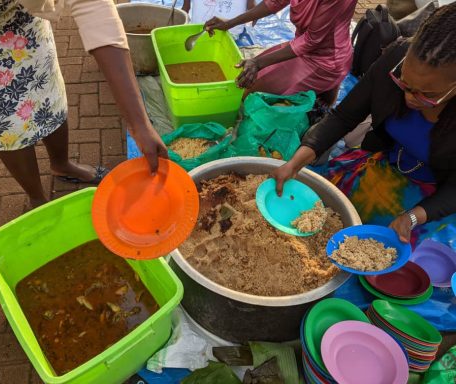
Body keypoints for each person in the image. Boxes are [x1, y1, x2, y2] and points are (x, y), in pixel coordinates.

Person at [0, 0, 168, 208]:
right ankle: (37, 198)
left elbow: (93, 7)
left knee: (50, 101)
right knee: (6, 129)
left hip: (24, 25)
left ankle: (62, 165)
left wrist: (139, 123)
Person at [272, 4, 456, 248]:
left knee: (373, 245)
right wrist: (297, 161)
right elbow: (344, 116)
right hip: (385, 160)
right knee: (320, 204)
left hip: (433, 194)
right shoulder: (396, 56)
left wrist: (412, 217)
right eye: (404, 83)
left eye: (426, 94)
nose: (410, 97)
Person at [204, 0, 357, 103]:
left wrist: (258, 63)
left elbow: (312, 40)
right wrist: (229, 23)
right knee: (247, 82)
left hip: (325, 60)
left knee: (247, 91)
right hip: (301, 46)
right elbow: (274, 2)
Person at [182, 0, 256, 35]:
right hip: (199, 28)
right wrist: (185, 8)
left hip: (230, 32)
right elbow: (252, 9)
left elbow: (252, 9)